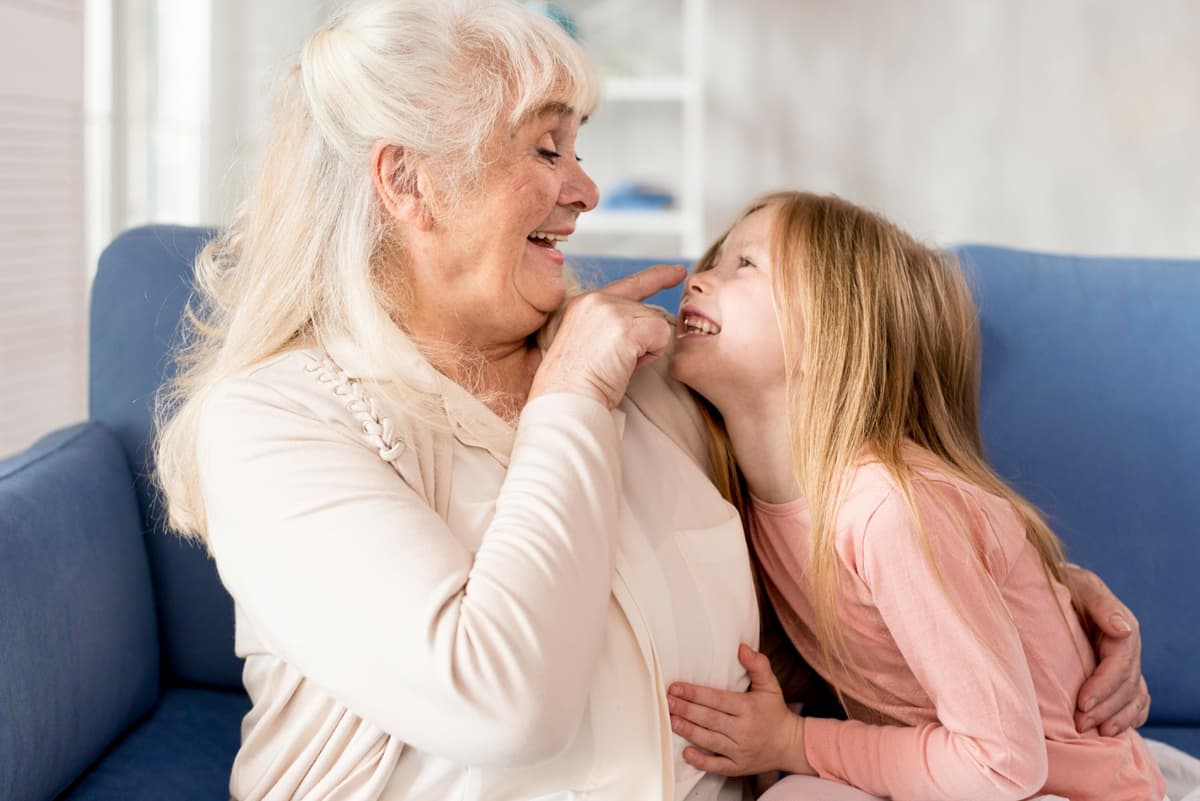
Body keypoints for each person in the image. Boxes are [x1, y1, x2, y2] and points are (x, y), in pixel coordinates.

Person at [151, 2, 1149, 799]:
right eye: (546, 151)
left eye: (578, 147)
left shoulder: (659, 372)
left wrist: (1052, 615)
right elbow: (502, 706)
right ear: (408, 182)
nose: (586, 189)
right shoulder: (277, 423)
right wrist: (572, 395)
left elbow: (846, 544)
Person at [663, 191, 1188, 800]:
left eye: (744, 265)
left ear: (836, 328)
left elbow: (1002, 765)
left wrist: (793, 743)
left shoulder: (885, 513)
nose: (697, 278)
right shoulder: (753, 497)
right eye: (716, 260)